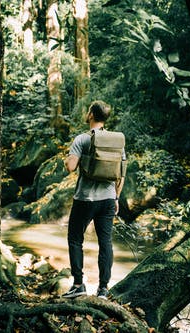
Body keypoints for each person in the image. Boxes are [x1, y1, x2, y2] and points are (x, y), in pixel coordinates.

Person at [62, 100, 126, 299]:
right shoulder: (116, 141)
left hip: (85, 199)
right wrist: (116, 197)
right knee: (105, 243)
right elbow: (121, 174)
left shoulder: (82, 139)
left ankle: (79, 284)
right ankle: (103, 289)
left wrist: (67, 159)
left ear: (91, 115)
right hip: (108, 199)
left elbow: (71, 167)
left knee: (75, 238)